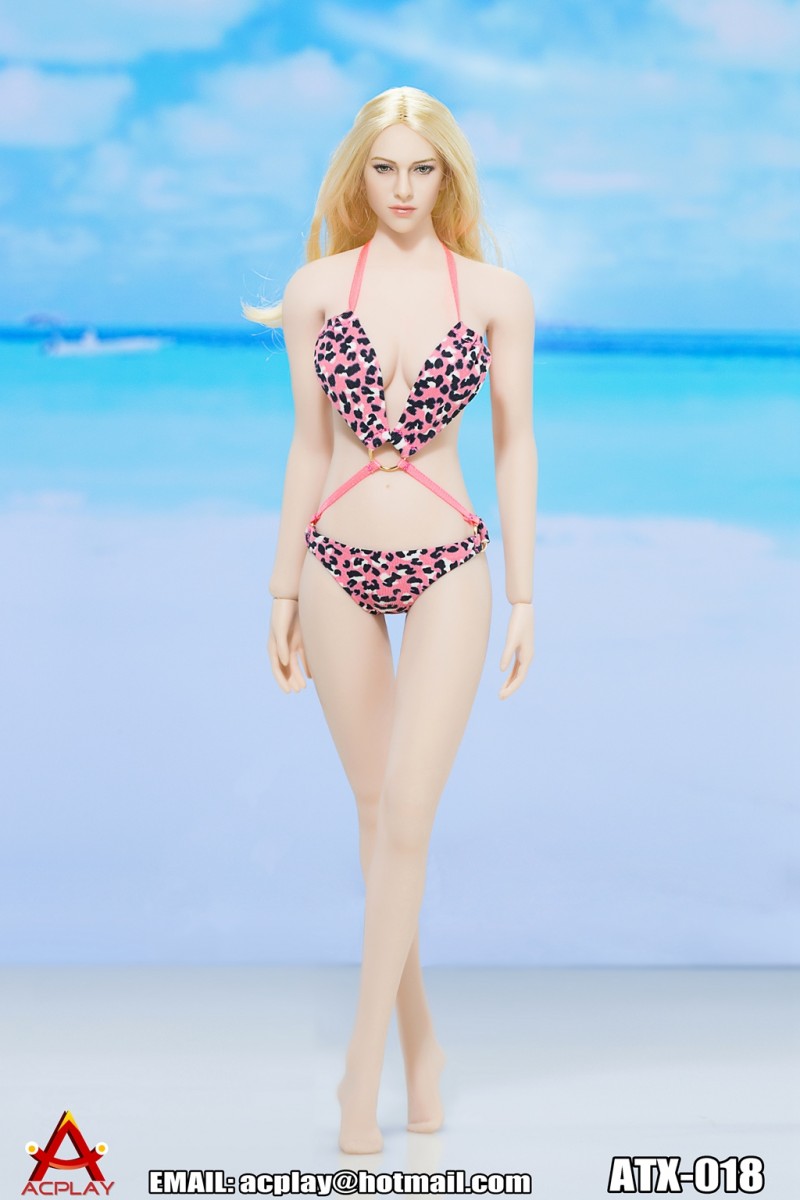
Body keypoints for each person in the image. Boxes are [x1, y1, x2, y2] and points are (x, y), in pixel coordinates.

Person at [243, 85, 537, 1155]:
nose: (403, 188)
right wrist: (280, 588)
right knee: (374, 817)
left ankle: (359, 1069)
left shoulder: (495, 295)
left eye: (421, 168)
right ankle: (423, 1049)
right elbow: (308, 446)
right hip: (332, 562)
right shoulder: (317, 290)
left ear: (447, 174)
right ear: (356, 175)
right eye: (384, 168)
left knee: (407, 814)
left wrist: (524, 594)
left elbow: (514, 443)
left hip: (452, 561)